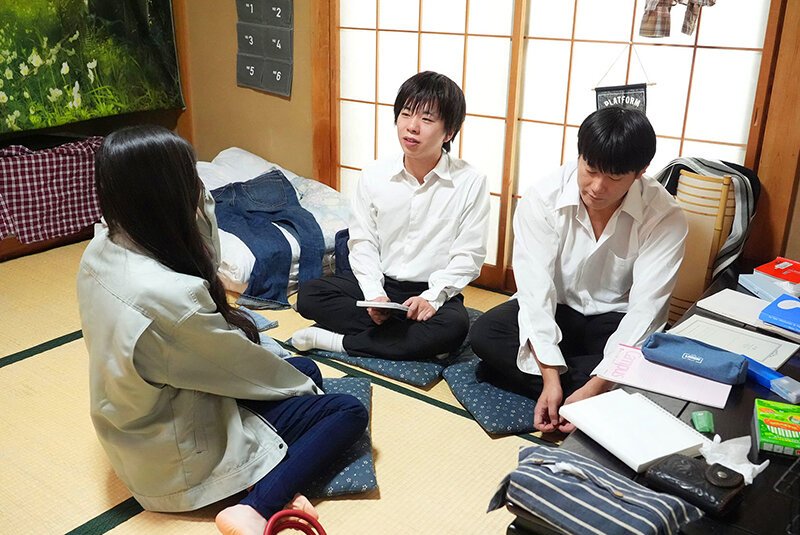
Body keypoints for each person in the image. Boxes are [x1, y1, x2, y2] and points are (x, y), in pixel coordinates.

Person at [76, 125, 368, 535]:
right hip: (177, 459)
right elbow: (242, 367)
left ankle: (268, 471)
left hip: (133, 426)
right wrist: (304, 391)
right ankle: (255, 506)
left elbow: (208, 283)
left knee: (305, 369)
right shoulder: (169, 297)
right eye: (190, 178)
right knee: (345, 409)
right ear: (167, 191)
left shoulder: (101, 246)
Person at [470, 107, 688, 433]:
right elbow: (535, 292)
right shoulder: (543, 197)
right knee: (486, 333)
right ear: (580, 156)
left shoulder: (665, 217)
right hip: (558, 307)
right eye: (590, 170)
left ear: (640, 172)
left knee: (645, 357)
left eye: (614, 178)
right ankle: (580, 394)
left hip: (615, 319)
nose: (597, 187)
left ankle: (583, 390)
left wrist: (596, 385)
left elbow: (646, 311)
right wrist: (549, 375)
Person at [291, 71, 490, 361]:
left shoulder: (471, 182)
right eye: (406, 114)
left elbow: (469, 256)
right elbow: (362, 242)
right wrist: (374, 294)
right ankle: (408, 340)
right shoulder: (374, 174)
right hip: (380, 284)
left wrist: (431, 298)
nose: (412, 127)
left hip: (431, 291)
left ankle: (336, 341)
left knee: (453, 327)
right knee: (310, 294)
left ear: (449, 132)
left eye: (427, 119)